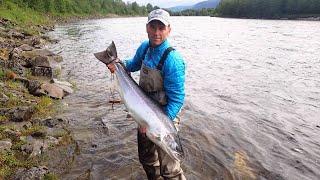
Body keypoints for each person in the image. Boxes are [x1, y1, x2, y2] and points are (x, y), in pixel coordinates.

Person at [107, 9, 186, 180]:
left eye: (161, 28)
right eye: (153, 27)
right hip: (143, 108)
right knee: (147, 159)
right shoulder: (145, 47)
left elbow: (177, 99)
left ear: (169, 30)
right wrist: (118, 64)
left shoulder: (173, 60)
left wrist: (154, 122)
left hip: (165, 116)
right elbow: (132, 65)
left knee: (170, 169)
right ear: (147, 27)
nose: (157, 32)